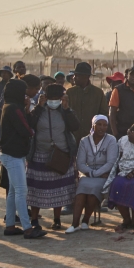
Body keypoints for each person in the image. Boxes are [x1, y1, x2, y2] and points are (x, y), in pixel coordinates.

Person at [26, 83, 80, 231]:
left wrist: (67, 107)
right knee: (37, 188)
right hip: (39, 154)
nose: (54, 101)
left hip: (60, 155)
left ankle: (57, 219)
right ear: (45, 97)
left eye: (57, 98)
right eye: (51, 98)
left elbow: (75, 126)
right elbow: (29, 123)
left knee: (60, 188)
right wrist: (38, 106)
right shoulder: (39, 110)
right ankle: (35, 219)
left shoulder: (65, 110)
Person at [0, 79, 47, 238]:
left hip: (10, 154)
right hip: (14, 155)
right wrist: (27, 110)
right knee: (21, 190)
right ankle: (27, 228)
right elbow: (28, 130)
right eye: (23, 92)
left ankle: (10, 226)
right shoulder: (14, 109)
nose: (26, 95)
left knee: (13, 191)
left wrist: (28, 109)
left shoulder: (9, 106)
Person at [67, 114, 117, 233]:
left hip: (104, 175)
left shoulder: (111, 140)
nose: (102, 127)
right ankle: (74, 224)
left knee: (93, 191)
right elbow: (80, 163)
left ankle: (85, 220)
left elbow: (110, 162)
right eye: (99, 124)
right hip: (88, 174)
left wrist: (97, 173)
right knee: (81, 191)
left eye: (105, 125)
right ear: (93, 125)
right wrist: (92, 173)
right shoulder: (85, 141)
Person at [66, 62, 107, 144]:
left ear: (86, 77)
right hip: (73, 136)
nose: (74, 78)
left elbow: (103, 114)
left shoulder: (98, 93)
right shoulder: (70, 92)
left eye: (77, 76)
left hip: (91, 137)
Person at [0, 65, 13, 163]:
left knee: (9, 137)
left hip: (10, 117)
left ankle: (7, 156)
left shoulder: (13, 86)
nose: (4, 74)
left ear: (10, 74)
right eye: (3, 73)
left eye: (6, 73)